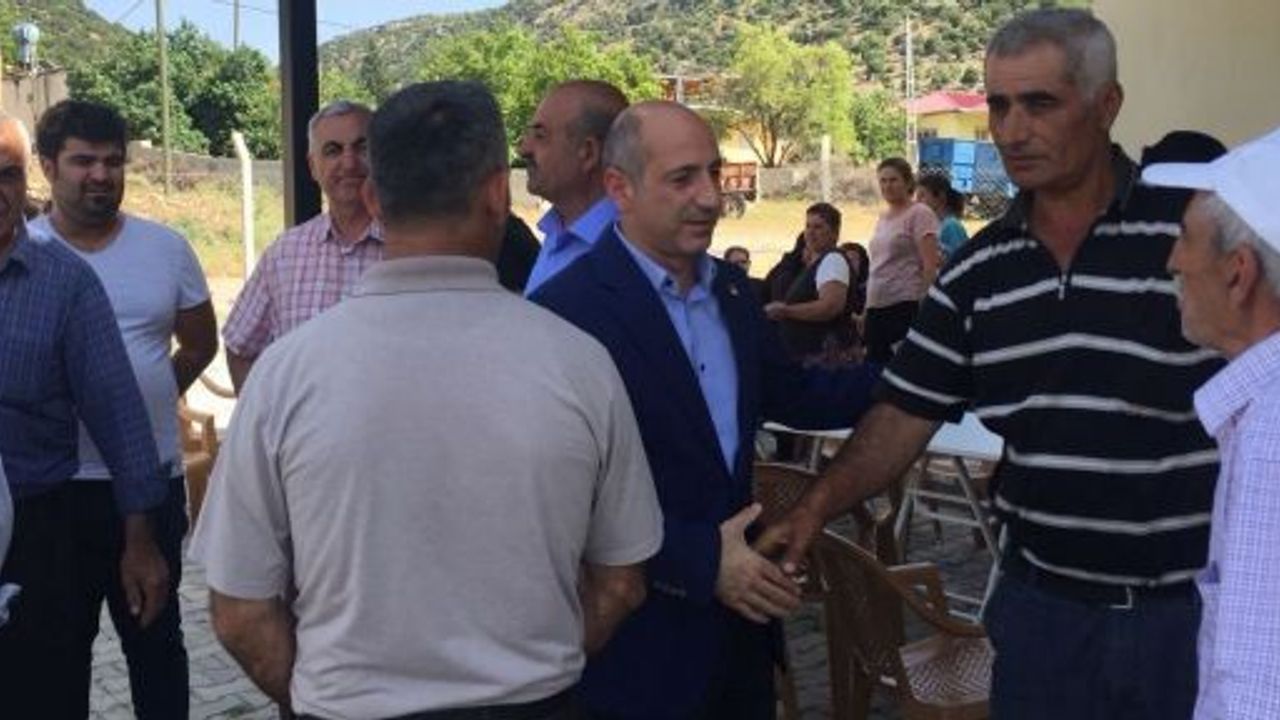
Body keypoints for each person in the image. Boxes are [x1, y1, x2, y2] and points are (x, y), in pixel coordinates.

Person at [760, 10, 1222, 719]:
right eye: (999, 106)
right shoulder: (979, 273)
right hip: (1044, 617)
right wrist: (815, 506)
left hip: (1188, 615)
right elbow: (904, 412)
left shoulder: (1187, 242)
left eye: (1039, 103)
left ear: (1107, 105)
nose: (1012, 130)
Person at [190, 81, 663, 720]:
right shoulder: (579, 364)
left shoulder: (285, 374)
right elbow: (622, 582)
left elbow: (239, 612)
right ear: (498, 194)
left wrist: (319, 699)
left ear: (374, 199)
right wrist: (537, 673)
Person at [532, 101, 879, 720]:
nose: (711, 197)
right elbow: (562, 500)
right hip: (635, 654)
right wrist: (698, 560)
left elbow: (795, 394)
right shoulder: (568, 312)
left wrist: (923, 372)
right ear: (620, 188)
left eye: (714, 173)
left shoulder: (735, 293)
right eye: (682, 178)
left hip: (739, 648)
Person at [30, 99, 216, 719]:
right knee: (57, 654)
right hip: (53, 491)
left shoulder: (166, 249)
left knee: (156, 644)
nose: (101, 175)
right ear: (48, 166)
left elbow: (200, 343)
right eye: (83, 161)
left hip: (150, 484)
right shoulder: (22, 254)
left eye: (113, 162)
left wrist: (138, 402)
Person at [0, 113, 170, 717]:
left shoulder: (64, 283)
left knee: (42, 697)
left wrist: (141, 543)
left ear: (28, 179)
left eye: (7, 175)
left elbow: (120, 417)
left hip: (35, 539)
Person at [1144, 125, 1280, 719]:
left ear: (1238, 272)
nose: (1171, 260)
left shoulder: (1271, 435)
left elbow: (1255, 688)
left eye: (1185, 237)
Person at [222, 100, 382, 393]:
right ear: (313, 167)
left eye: (362, 147)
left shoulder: (411, 248)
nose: (349, 163)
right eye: (332, 151)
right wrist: (262, 416)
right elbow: (240, 347)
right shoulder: (285, 254)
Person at [519, 80, 629, 296]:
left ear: (588, 153)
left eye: (540, 136)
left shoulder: (632, 249)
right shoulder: (557, 232)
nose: (524, 149)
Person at [862, 157, 940, 363]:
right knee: (873, 370)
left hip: (903, 306)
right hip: (876, 307)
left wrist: (923, 309)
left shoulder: (919, 213)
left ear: (907, 182)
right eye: (883, 181)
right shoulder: (883, 218)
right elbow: (877, 267)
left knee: (900, 368)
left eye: (893, 180)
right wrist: (866, 311)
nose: (887, 186)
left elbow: (930, 264)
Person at [765, 203, 856, 364]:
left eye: (818, 227)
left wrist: (786, 311)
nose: (810, 232)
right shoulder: (813, 264)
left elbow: (830, 307)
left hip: (825, 361)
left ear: (835, 232)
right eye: (807, 226)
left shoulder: (833, 260)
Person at [916, 172, 969, 262]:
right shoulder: (934, 224)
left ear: (940, 197)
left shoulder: (951, 225)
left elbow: (959, 259)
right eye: (917, 197)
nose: (917, 201)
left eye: (922, 196)